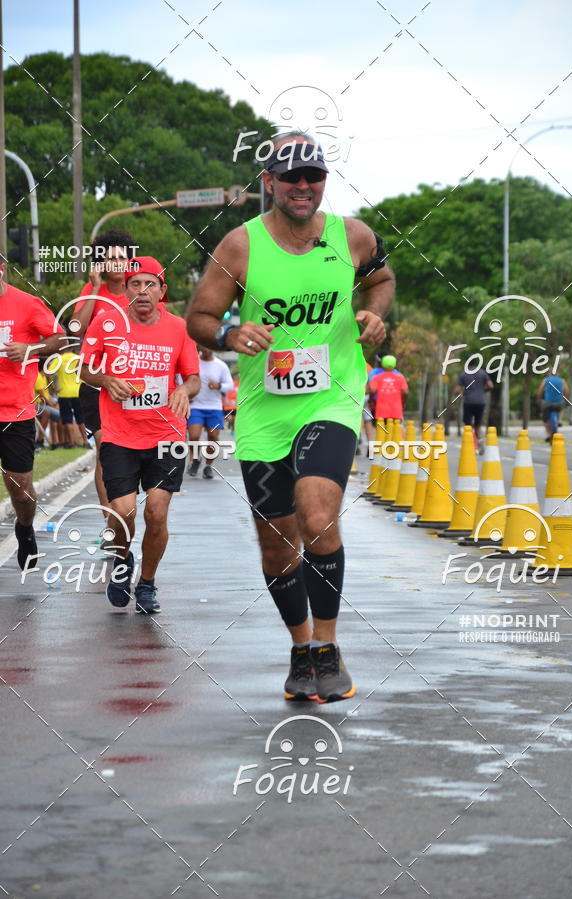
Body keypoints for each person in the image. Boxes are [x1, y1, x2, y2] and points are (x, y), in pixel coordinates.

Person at [186, 132, 394, 702]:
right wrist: (229, 331)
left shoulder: (352, 236)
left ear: (324, 181)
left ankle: (327, 647)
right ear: (269, 183)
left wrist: (372, 317)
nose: (304, 186)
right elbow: (199, 317)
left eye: (314, 175)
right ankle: (301, 649)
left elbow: (380, 280)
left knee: (318, 511)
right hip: (264, 411)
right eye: (292, 176)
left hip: (333, 396)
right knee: (278, 546)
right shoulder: (240, 246)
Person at [80, 256, 199, 613]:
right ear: (126, 290)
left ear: (162, 291)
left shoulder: (179, 328)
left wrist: (184, 391)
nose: (142, 291)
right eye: (135, 284)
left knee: (157, 514)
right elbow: (84, 369)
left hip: (167, 434)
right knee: (123, 511)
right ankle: (122, 560)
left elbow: (192, 377)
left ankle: (146, 584)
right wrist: (106, 380)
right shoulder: (107, 322)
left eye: (150, 284)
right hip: (119, 434)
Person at [70, 230, 137, 538]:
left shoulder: (140, 289)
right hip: (96, 384)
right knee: (105, 450)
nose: (117, 262)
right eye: (110, 257)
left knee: (131, 452)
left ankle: (125, 509)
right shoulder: (92, 290)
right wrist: (94, 289)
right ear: (101, 262)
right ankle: (110, 522)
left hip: (134, 385)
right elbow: (75, 329)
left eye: (122, 256)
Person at [0, 262, 64, 568]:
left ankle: (25, 529)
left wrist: (30, 349)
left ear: (1, 269)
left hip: (15, 411)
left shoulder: (27, 304)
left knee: (21, 491)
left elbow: (60, 340)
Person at [187, 346, 233, 478]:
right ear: (200, 347)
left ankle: (208, 466)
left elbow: (229, 384)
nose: (206, 349)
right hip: (195, 405)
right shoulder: (194, 362)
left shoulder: (221, 365)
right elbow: (182, 378)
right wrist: (186, 394)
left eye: (209, 347)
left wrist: (219, 386)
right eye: (204, 347)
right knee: (194, 436)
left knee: (213, 437)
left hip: (214, 407)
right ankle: (195, 459)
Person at [53, 345, 87, 448]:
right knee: (81, 419)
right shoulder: (78, 358)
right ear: (72, 348)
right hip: (78, 392)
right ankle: (85, 442)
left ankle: (72, 442)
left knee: (67, 419)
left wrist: (55, 387)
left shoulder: (59, 359)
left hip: (64, 393)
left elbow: (48, 373)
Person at [454, 367, 493, 453]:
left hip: (468, 401)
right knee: (478, 425)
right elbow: (490, 386)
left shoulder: (464, 374)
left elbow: (457, 390)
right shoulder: (483, 373)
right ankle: (480, 442)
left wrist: (459, 392)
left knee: (468, 426)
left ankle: (471, 445)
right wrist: (483, 391)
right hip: (480, 401)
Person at [368, 354, 408, 421]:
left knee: (381, 430)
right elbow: (405, 392)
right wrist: (403, 402)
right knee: (395, 430)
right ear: (394, 365)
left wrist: (371, 400)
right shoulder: (400, 378)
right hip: (396, 411)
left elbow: (372, 390)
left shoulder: (377, 378)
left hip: (381, 411)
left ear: (382, 365)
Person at [537, 374, 569, 442]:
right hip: (559, 403)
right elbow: (566, 391)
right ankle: (560, 419)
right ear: (557, 374)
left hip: (547, 403)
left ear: (549, 374)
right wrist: (565, 400)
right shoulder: (562, 380)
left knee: (544, 418)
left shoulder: (546, 380)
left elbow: (540, 390)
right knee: (563, 406)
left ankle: (548, 434)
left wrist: (539, 399)